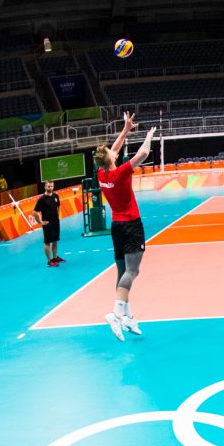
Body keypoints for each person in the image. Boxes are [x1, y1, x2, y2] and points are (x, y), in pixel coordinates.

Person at [94, 112, 156, 341]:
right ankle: (116, 313)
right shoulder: (119, 173)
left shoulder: (102, 173)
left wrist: (126, 129)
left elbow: (116, 148)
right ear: (111, 159)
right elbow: (144, 153)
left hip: (116, 227)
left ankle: (128, 316)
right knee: (133, 271)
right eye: (112, 152)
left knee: (122, 272)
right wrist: (149, 136)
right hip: (131, 225)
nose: (114, 150)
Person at [33, 180, 63, 267]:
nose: (51, 188)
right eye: (49, 186)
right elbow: (35, 212)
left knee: (55, 240)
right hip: (47, 223)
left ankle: (55, 257)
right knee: (47, 242)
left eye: (52, 186)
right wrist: (40, 222)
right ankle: (49, 261)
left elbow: (58, 206)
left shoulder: (55, 196)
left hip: (55, 222)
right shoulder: (42, 199)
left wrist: (58, 216)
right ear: (45, 187)